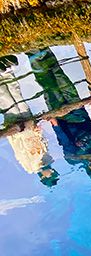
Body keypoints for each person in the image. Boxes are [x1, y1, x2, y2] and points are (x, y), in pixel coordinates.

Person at [1, 55, 59, 186]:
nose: (52, 172)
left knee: (7, 102)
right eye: (54, 174)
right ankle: (7, 72)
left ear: (43, 178)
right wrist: (38, 131)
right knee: (19, 98)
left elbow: (19, 151)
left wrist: (15, 133)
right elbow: (42, 144)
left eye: (51, 176)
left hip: (18, 129)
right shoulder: (49, 160)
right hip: (29, 126)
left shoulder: (30, 167)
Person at [49, 103, 91, 182]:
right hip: (80, 116)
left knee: (52, 97)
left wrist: (55, 124)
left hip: (62, 122)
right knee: (70, 94)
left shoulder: (73, 158)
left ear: (88, 168)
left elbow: (65, 141)